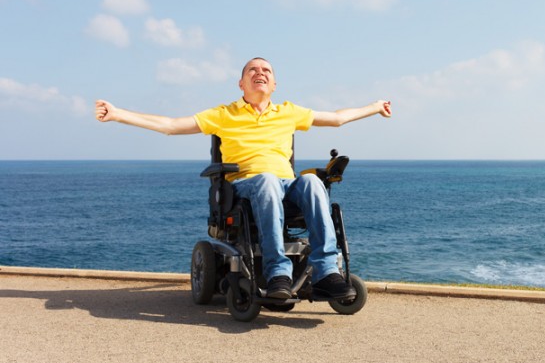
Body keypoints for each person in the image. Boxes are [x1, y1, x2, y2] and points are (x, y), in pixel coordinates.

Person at [96, 57, 392, 301]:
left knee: (313, 181)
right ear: (241, 84)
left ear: (274, 84)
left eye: (267, 70)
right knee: (265, 179)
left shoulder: (288, 112)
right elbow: (172, 126)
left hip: (286, 185)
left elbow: (337, 118)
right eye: (253, 69)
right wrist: (118, 114)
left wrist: (375, 107)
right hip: (247, 186)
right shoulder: (225, 114)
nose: (260, 72)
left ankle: (327, 272)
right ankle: (278, 273)